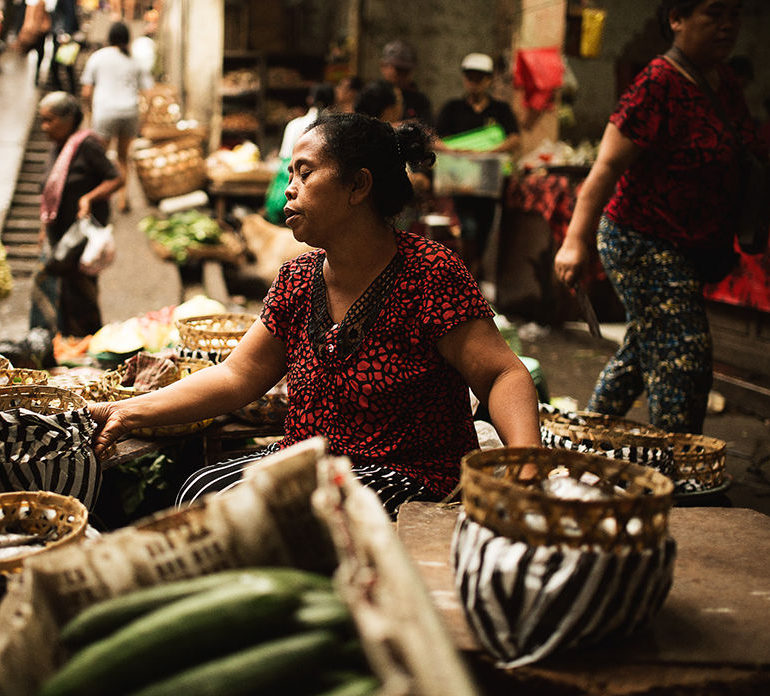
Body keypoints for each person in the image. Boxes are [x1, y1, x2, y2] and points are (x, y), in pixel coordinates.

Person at [89, 113, 540, 516]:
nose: (289, 188)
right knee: (200, 492)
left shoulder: (429, 273)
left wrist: (527, 468)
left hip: (407, 476)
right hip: (308, 463)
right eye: (291, 174)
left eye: (305, 173)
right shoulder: (298, 279)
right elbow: (235, 378)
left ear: (358, 187)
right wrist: (129, 412)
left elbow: (502, 374)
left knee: (279, 515)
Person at [553, 0, 764, 434]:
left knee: (643, 348)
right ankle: (676, 469)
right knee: (682, 355)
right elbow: (607, 166)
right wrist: (576, 240)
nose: (727, 26)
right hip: (640, 238)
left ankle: (584, 440)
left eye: (734, 15)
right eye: (714, 13)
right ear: (677, 19)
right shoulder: (657, 82)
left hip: (687, 243)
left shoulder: (723, 81)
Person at [31, 91, 123, 337]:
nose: (44, 127)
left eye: (49, 120)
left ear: (69, 119)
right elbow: (49, 192)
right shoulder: (57, 147)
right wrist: (44, 229)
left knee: (82, 290)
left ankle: (89, 340)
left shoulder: (86, 145)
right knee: (62, 289)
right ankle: (67, 339)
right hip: (58, 231)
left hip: (80, 235)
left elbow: (116, 178)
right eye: (42, 120)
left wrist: (88, 198)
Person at [435, 53, 521, 277]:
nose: (474, 82)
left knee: (485, 229)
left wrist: (486, 152)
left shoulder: (500, 110)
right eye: (470, 77)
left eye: (479, 77)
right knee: (468, 227)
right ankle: (465, 273)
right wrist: (453, 151)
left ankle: (473, 272)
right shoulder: (452, 108)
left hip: (488, 184)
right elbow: (434, 138)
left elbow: (514, 138)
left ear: (489, 80)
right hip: (460, 183)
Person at [80, 21, 152, 213]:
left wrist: (89, 112)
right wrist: (143, 118)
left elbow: (87, 91)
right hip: (130, 112)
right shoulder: (134, 60)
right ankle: (122, 199)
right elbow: (148, 92)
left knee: (100, 158)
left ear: (109, 37)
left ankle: (99, 197)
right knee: (122, 158)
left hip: (105, 112)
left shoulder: (98, 57)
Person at [379, 39, 431, 124]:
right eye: (398, 69)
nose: (402, 75)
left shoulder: (420, 100)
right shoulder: (374, 95)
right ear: (383, 66)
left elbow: (427, 129)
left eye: (406, 70)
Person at [278, 83, 334, 160]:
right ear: (333, 102)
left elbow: (284, 157)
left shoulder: (293, 125)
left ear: (309, 100)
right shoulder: (334, 127)